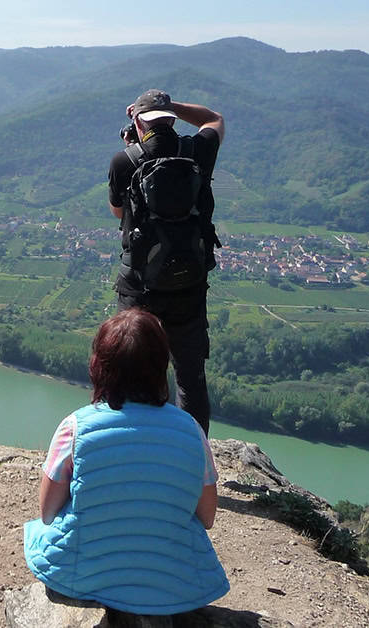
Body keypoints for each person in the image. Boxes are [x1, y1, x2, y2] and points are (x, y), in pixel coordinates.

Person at [24, 308, 228, 615]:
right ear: (161, 366)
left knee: (37, 530)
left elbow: (48, 512)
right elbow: (207, 517)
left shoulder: (75, 428)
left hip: (82, 574)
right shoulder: (192, 431)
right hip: (172, 583)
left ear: (100, 367)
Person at [108, 89, 225, 434]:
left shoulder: (124, 161)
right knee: (190, 378)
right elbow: (213, 119)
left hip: (140, 289)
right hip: (188, 284)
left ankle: (137, 448)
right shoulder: (198, 151)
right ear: (171, 120)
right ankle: (194, 458)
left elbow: (118, 211)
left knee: (133, 371)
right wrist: (168, 106)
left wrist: (135, 141)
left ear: (138, 122)